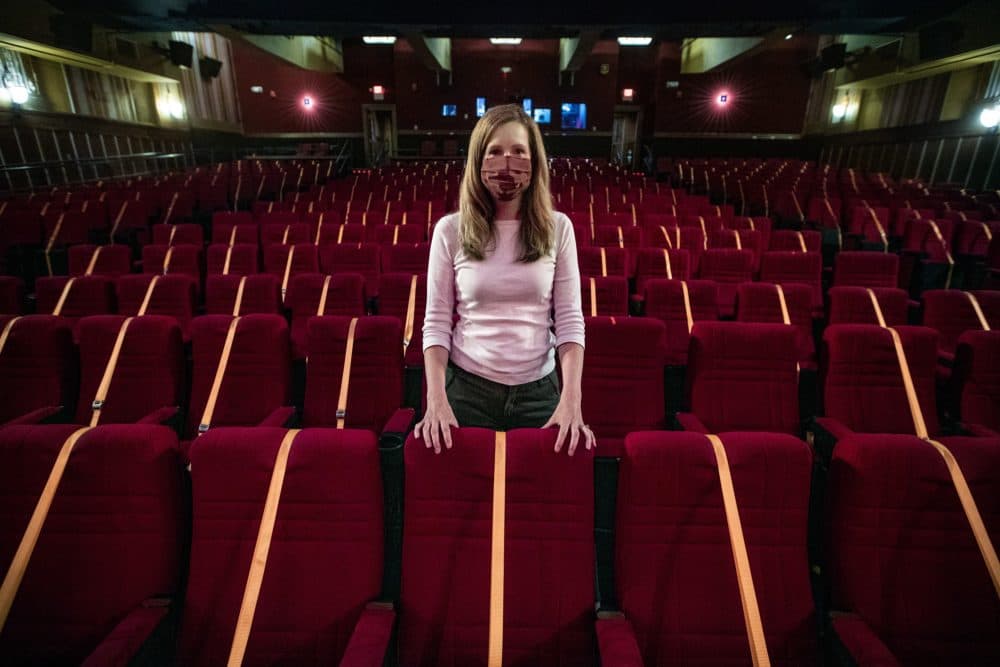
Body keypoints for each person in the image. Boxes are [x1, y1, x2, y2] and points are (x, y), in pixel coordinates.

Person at [413, 104, 594, 456]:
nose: (506, 162)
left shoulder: (559, 228)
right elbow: (435, 323)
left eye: (518, 152)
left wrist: (572, 398)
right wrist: (434, 398)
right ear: (478, 162)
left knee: (537, 502)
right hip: (467, 389)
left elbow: (571, 321)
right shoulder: (450, 230)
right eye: (494, 152)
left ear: (534, 162)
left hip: (539, 390)